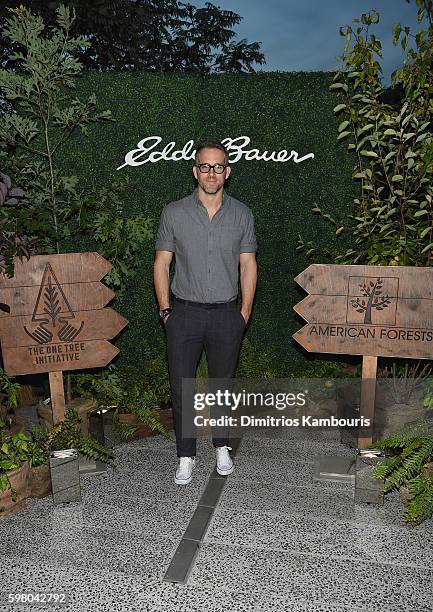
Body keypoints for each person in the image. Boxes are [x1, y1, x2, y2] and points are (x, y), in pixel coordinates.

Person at [153, 140, 257, 485]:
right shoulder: (173, 213)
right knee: (182, 387)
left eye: (218, 166)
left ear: (227, 172)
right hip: (183, 314)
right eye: (204, 166)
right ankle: (185, 455)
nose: (211, 172)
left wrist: (244, 311)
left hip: (227, 315)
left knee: (222, 385)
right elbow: (161, 263)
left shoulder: (242, 214)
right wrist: (166, 310)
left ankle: (222, 446)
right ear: (195, 171)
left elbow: (248, 264)